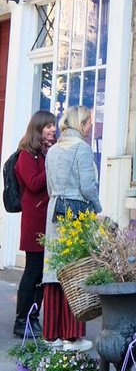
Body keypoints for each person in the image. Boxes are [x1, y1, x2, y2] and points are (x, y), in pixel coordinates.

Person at [42, 105, 101, 351]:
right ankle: (72, 336)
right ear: (82, 123)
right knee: (75, 271)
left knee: (55, 270)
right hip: (76, 212)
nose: (90, 127)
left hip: (55, 209)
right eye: (89, 123)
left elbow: (48, 185)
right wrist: (97, 206)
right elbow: (88, 186)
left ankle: (52, 335)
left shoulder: (53, 150)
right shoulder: (82, 149)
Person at [13, 110, 57, 337]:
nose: (52, 129)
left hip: (47, 221)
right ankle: (22, 321)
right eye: (47, 126)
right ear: (37, 129)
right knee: (32, 271)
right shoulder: (26, 156)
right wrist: (51, 163)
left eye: (53, 125)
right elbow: (33, 184)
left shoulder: (44, 154)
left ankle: (33, 317)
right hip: (34, 222)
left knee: (42, 273)